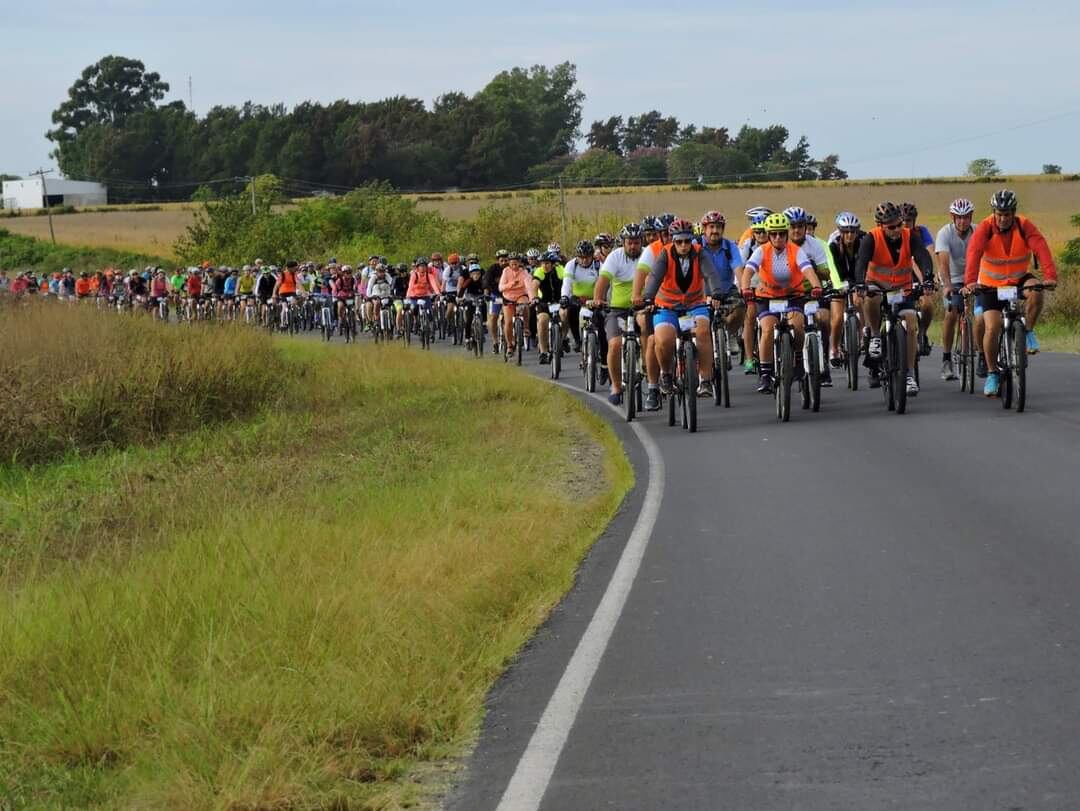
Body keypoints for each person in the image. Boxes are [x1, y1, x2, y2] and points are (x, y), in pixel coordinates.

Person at [963, 188, 1058, 397]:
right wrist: (970, 281)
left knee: (1036, 291)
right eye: (999, 214)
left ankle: (1028, 331)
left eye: (1007, 214)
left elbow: (1041, 247)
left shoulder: (1024, 226)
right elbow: (973, 253)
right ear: (993, 212)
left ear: (1013, 213)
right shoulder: (985, 228)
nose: (1003, 219)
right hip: (990, 285)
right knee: (992, 327)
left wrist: (1050, 276)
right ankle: (992, 373)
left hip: (1017, 280)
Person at [853, 202, 935, 396]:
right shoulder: (871, 238)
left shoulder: (910, 236)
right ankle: (874, 336)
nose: (897, 229)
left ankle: (907, 374)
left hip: (902, 287)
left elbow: (923, 256)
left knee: (911, 322)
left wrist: (928, 278)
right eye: (891, 227)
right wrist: (859, 284)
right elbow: (861, 263)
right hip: (877, 286)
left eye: (899, 224)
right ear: (880, 225)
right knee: (871, 300)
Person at [641, 218, 726, 399]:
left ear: (692, 241)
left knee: (703, 331)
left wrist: (717, 293)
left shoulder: (699, 253)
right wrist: (648, 298)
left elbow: (710, 274)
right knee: (663, 340)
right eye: (679, 241)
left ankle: (705, 380)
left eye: (687, 241)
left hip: (694, 305)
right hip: (667, 306)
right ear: (673, 240)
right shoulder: (665, 254)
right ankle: (665, 374)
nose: (684, 246)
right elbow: (655, 276)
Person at [742, 213, 824, 394]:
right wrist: (746, 288)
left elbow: (807, 269)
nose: (777, 238)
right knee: (768, 329)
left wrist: (816, 285)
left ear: (786, 234)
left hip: (793, 296)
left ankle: (797, 359)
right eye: (773, 234)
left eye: (781, 233)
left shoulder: (795, 250)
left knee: (798, 325)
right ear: (769, 235)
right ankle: (765, 373)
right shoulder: (762, 251)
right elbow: (749, 270)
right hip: (767, 297)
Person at [591, 223, 645, 404]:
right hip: (618, 311)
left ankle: (652, 371)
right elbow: (603, 280)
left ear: (641, 242)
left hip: (642, 308)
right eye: (629, 242)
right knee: (614, 344)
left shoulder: (648, 255)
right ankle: (615, 385)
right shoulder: (615, 256)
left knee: (651, 334)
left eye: (636, 242)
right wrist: (598, 299)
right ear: (623, 242)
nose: (633, 246)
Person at [784, 206, 835, 385]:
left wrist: (814, 268)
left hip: (813, 292)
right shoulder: (781, 246)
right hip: (791, 294)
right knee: (795, 324)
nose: (796, 230)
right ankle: (795, 359)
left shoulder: (815, 244)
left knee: (824, 319)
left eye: (800, 226)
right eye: (792, 226)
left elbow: (825, 272)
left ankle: (824, 362)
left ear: (806, 227)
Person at [934, 198, 976, 381]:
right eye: (958, 217)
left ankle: (978, 353)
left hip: (974, 277)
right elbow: (943, 261)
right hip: (952, 277)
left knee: (984, 313)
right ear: (952, 217)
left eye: (966, 217)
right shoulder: (945, 233)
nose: (962, 221)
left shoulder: (978, 230)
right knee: (952, 312)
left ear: (970, 217)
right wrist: (948, 285)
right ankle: (946, 359)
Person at [827, 212, 869, 366]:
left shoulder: (864, 241)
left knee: (859, 301)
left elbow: (867, 264)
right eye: (846, 232)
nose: (850, 235)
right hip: (839, 279)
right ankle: (835, 349)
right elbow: (833, 267)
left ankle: (864, 334)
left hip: (858, 278)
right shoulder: (833, 244)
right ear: (840, 231)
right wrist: (838, 285)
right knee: (837, 317)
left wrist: (863, 282)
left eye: (853, 231)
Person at [697, 210, 746, 343]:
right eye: (711, 227)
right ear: (704, 229)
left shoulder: (730, 247)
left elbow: (738, 269)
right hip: (702, 292)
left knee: (741, 307)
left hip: (726, 290)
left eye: (718, 227)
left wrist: (744, 288)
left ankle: (729, 336)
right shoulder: (696, 246)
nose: (715, 230)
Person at [900, 203, 936, 356]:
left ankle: (922, 333)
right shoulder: (895, 234)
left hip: (919, 275)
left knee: (928, 303)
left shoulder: (921, 232)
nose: (905, 224)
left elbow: (928, 253)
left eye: (908, 220)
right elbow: (910, 261)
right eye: (902, 221)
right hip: (901, 276)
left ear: (914, 221)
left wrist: (927, 279)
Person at [560, 240, 601, 354]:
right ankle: (577, 340)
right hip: (577, 297)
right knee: (571, 311)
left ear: (592, 255)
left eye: (587, 257)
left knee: (600, 316)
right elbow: (567, 283)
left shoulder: (598, 266)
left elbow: (604, 284)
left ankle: (597, 342)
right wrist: (564, 297)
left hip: (594, 297)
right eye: (581, 257)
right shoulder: (571, 265)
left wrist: (601, 299)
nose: (584, 260)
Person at [498, 252, 536, 356]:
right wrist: (511, 284)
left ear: (519, 263)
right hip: (508, 297)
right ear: (509, 264)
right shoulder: (505, 271)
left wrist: (532, 298)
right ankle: (510, 345)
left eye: (516, 264)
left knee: (525, 305)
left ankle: (526, 328)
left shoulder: (524, 272)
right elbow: (501, 287)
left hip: (520, 295)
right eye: (512, 264)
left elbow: (529, 286)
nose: (514, 266)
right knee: (508, 322)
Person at [532, 251, 563, 364]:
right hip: (544, 303)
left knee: (566, 315)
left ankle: (564, 339)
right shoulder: (539, 271)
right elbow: (534, 284)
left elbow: (568, 282)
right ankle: (544, 352)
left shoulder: (559, 270)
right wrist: (534, 297)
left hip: (559, 301)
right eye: (542, 263)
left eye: (547, 263)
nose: (544, 265)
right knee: (543, 321)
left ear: (553, 263)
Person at [484, 249, 511, 353]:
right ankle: (495, 341)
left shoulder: (511, 268)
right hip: (495, 295)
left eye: (505, 260)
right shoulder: (492, 269)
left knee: (509, 318)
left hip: (508, 296)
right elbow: (486, 281)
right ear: (497, 261)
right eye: (501, 260)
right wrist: (486, 293)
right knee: (493, 317)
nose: (504, 263)